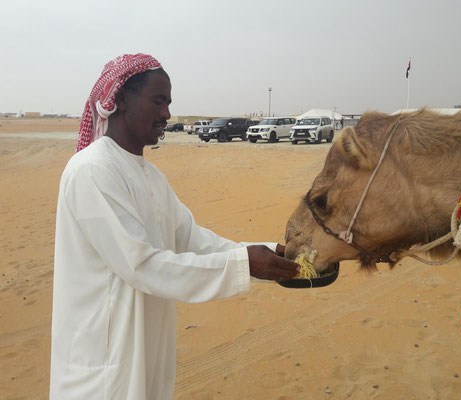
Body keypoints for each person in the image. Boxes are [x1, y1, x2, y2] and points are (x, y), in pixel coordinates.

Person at [49, 54, 299, 399]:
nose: (167, 114)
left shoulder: (151, 176)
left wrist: (269, 253)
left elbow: (193, 240)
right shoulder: (92, 169)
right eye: (158, 101)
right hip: (104, 362)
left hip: (147, 350)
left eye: (168, 103)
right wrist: (244, 264)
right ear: (121, 99)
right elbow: (141, 265)